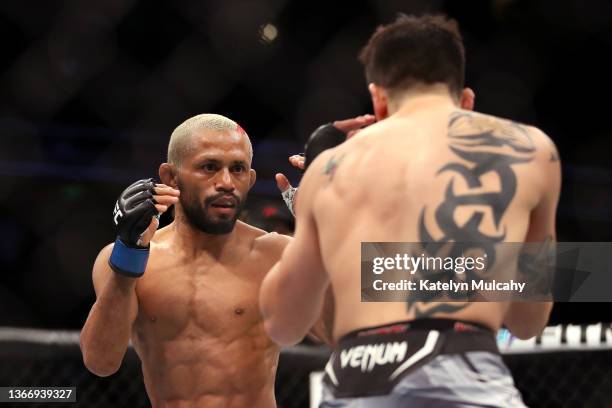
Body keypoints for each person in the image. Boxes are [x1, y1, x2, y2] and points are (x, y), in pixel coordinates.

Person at [260, 14, 560, 407]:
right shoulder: (529, 150)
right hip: (463, 370)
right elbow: (528, 320)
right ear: (466, 101)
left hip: (358, 374)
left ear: (378, 99)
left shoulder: (332, 168)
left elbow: (282, 323)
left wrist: (316, 209)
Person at [80, 113, 323, 408]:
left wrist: (331, 225)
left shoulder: (277, 254)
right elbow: (100, 362)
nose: (225, 182)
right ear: (171, 177)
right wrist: (128, 258)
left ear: (250, 179)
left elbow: (348, 326)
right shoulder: (123, 259)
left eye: (237, 169)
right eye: (209, 167)